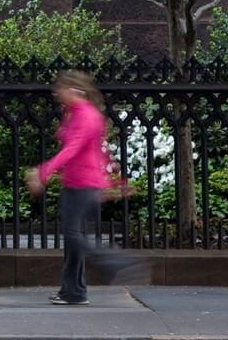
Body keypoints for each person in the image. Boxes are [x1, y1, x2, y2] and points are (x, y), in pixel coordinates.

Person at [25, 69, 141, 306]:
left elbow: (73, 148)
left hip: (82, 184)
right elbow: (101, 151)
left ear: (71, 89)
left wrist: (43, 172)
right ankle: (73, 292)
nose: (57, 94)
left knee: (73, 236)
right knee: (72, 239)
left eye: (60, 89)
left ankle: (115, 262)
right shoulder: (79, 114)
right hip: (79, 182)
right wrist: (117, 182)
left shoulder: (85, 115)